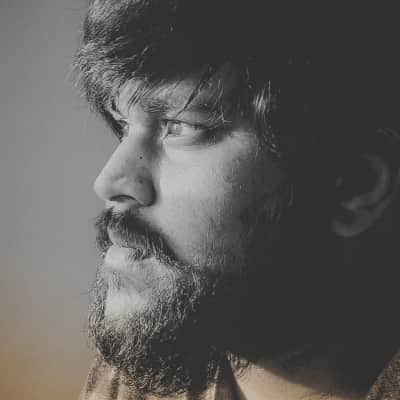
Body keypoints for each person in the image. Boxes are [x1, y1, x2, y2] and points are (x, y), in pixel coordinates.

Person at [74, 1, 400, 399]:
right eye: (124, 124)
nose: (108, 181)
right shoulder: (137, 380)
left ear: (355, 187)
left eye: (181, 126)